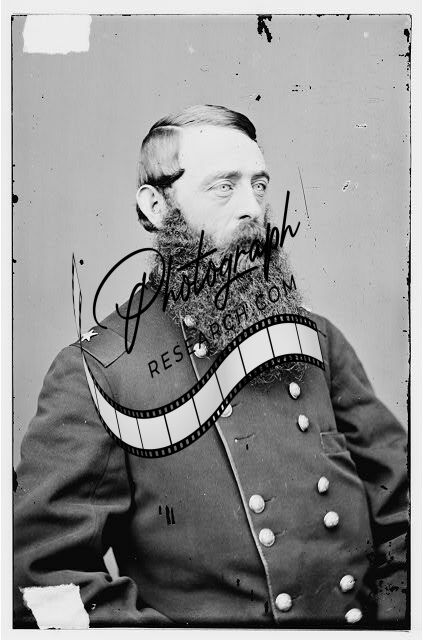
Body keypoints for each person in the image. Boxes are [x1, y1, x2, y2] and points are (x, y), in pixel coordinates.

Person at [14, 105, 408, 629]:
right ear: (157, 206)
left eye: (259, 186)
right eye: (224, 187)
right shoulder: (97, 372)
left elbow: (404, 513)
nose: (252, 209)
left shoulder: (313, 339)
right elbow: (43, 577)